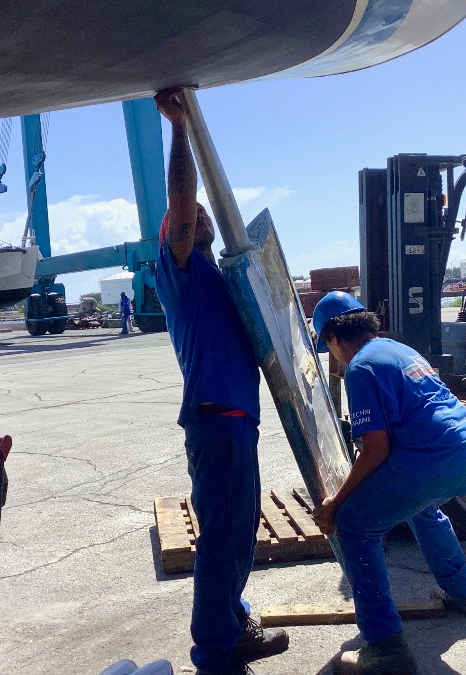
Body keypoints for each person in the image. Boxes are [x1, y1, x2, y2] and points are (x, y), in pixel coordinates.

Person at [153, 88, 288, 675]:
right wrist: (180, 129)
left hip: (235, 424)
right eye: (192, 216)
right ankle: (214, 653)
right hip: (217, 422)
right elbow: (182, 204)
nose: (201, 214)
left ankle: (231, 626)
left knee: (236, 535)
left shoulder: (216, 274)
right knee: (222, 538)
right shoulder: (179, 268)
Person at [310, 291, 466, 675]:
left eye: (328, 348)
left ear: (335, 338)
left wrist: (336, 503)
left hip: (432, 457)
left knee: (354, 526)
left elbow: (375, 449)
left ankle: (385, 647)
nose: (334, 359)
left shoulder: (360, 367)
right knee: (423, 509)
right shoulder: (396, 348)